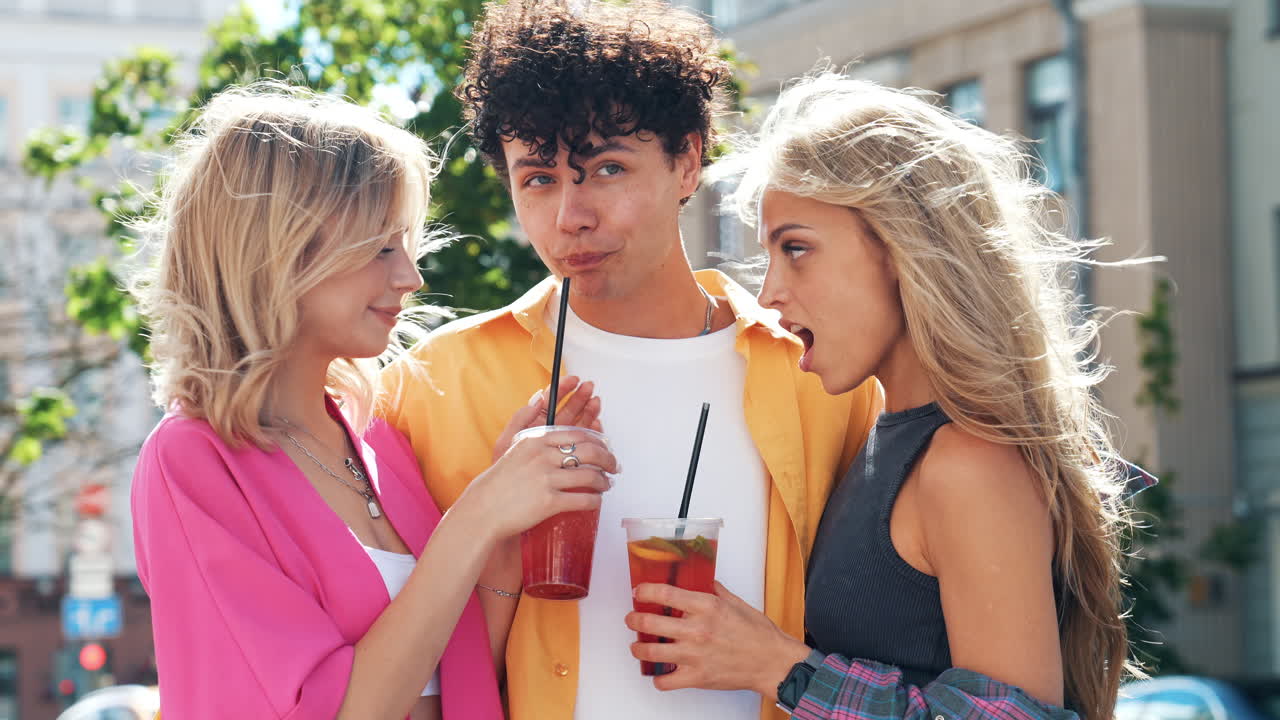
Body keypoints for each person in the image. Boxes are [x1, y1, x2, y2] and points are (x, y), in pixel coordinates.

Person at [378, 3, 882, 720]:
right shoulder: (434, 387)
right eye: (539, 179)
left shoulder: (822, 377)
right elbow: (409, 684)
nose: (570, 217)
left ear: (687, 160)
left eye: (606, 169)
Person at [625, 73, 1145, 720]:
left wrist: (777, 665)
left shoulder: (968, 463)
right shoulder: (882, 435)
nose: (770, 295)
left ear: (903, 248)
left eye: (797, 249)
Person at [129, 82, 615, 720]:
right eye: (380, 246)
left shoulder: (376, 438)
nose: (409, 277)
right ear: (274, 250)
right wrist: (476, 514)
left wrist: (501, 530)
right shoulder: (192, 462)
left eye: (405, 245)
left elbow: (458, 674)